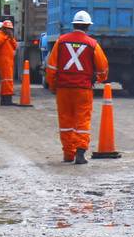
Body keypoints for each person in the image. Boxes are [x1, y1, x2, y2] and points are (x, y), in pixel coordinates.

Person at [46, 10, 109, 164]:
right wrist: (100, 79)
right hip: (83, 89)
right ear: (88, 26)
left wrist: (53, 85)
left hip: (63, 89)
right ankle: (80, 152)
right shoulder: (93, 44)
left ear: (73, 24)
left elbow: (51, 67)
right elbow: (103, 67)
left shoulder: (61, 41)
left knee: (66, 121)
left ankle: (68, 154)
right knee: (82, 121)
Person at [0, 20, 17, 106]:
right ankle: (7, 99)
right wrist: (6, 37)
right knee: (7, 80)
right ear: (4, 28)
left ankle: (5, 99)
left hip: (9, 61)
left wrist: (11, 38)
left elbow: (15, 46)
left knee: (7, 80)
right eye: (8, 29)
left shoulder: (9, 36)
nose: (10, 30)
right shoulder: (0, 35)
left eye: (10, 29)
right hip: (4, 61)